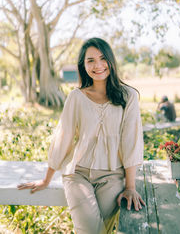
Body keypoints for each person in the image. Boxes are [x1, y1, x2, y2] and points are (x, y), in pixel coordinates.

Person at [17, 37, 145, 234]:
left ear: (111, 61)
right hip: (78, 174)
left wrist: (130, 186)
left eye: (103, 58)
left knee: (102, 229)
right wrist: (46, 179)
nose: (98, 65)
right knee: (90, 230)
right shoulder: (76, 97)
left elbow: (131, 141)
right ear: (83, 65)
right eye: (90, 60)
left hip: (113, 176)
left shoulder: (128, 97)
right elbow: (63, 138)